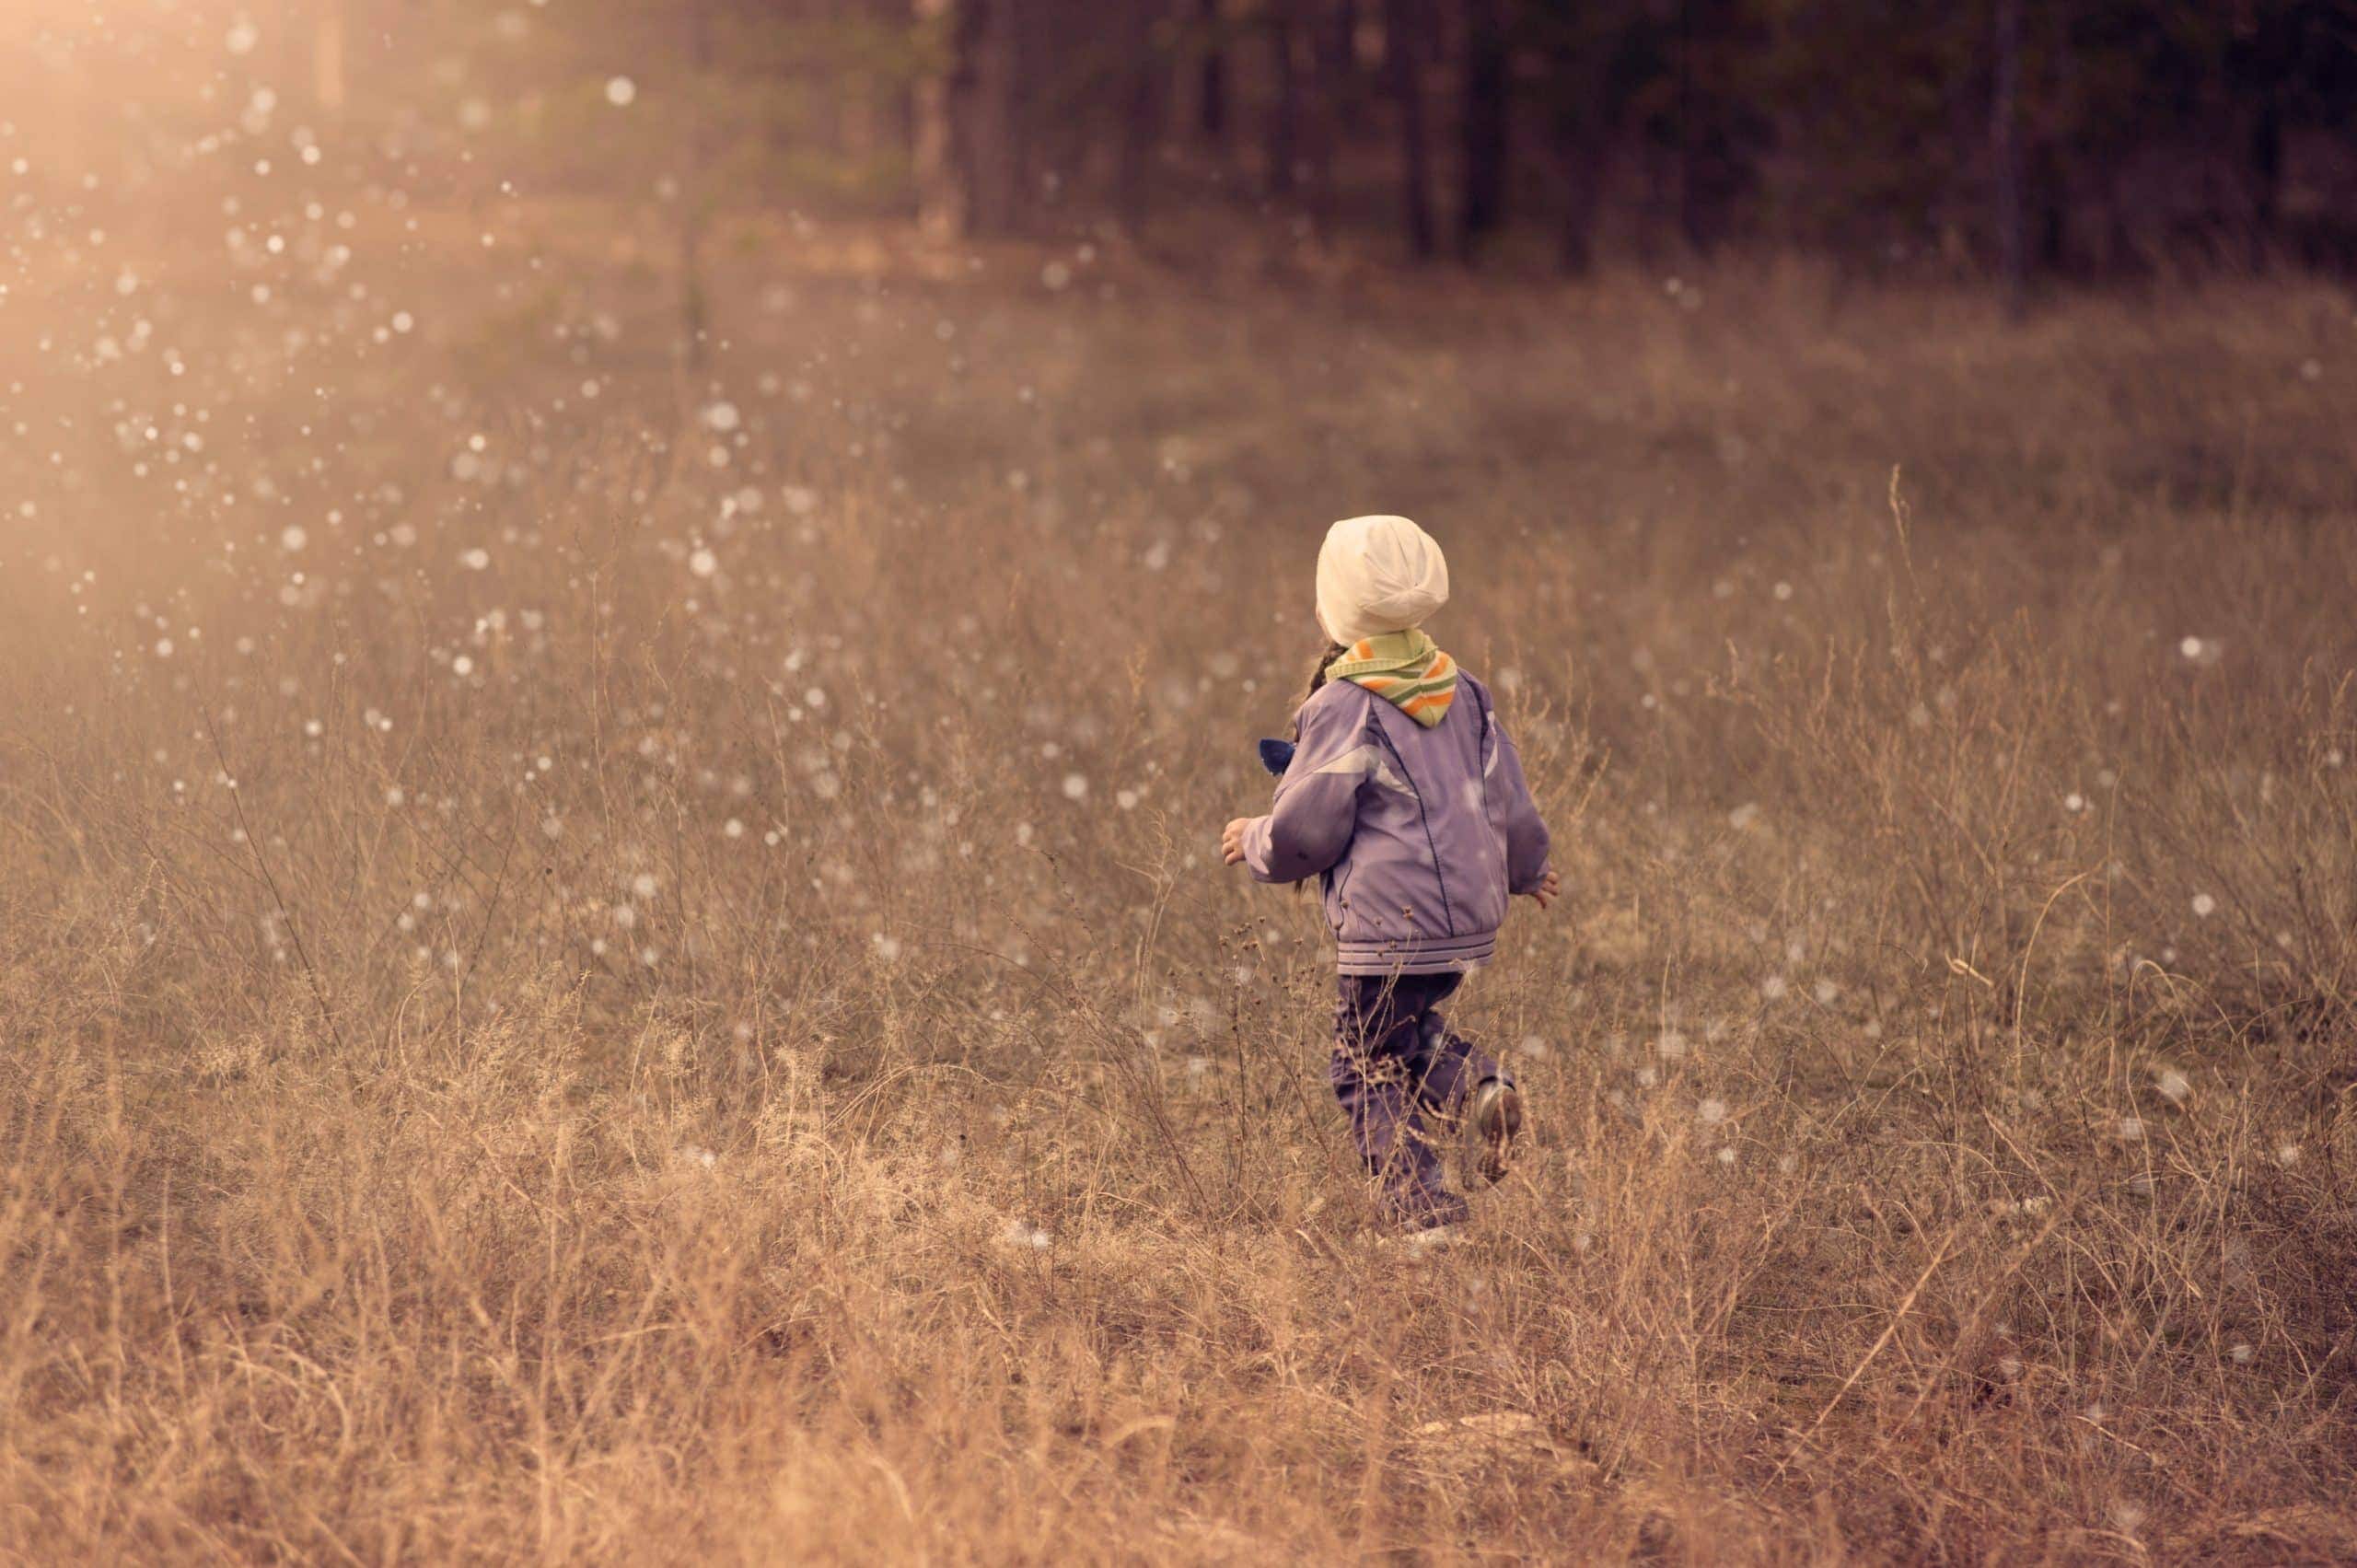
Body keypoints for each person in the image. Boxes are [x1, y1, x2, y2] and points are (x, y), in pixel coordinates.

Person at [1222, 515, 1558, 1237]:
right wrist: (1526, 869)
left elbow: (1308, 828)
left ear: (1334, 610)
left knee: (1361, 1064)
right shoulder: (1465, 692)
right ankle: (1479, 1085)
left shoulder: (1346, 704)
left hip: (1387, 923)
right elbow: (1510, 798)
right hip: (1465, 920)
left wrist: (1255, 839)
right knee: (1400, 1037)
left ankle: (1422, 1213)